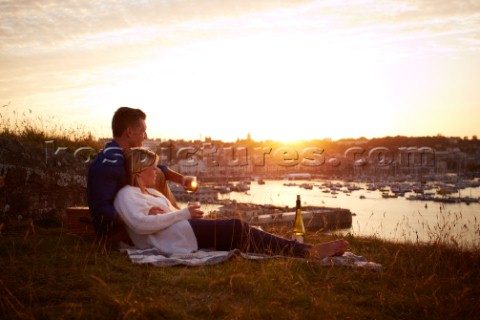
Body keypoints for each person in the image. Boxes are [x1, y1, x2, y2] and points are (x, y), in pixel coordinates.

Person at [113, 148, 349, 260]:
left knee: (239, 234)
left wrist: (168, 215)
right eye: (153, 167)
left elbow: (160, 219)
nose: (157, 171)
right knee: (237, 228)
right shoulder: (126, 195)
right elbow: (142, 224)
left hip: (184, 233)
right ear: (139, 170)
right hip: (179, 237)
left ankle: (299, 251)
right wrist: (180, 214)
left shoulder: (152, 193)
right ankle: (306, 251)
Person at [87, 107, 188, 238]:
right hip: (120, 229)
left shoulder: (126, 155)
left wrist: (182, 180)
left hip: (138, 219)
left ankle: (179, 219)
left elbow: (158, 168)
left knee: (157, 172)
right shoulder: (108, 163)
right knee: (155, 173)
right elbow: (101, 210)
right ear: (129, 132)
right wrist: (143, 217)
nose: (145, 137)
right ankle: (180, 222)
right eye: (143, 132)